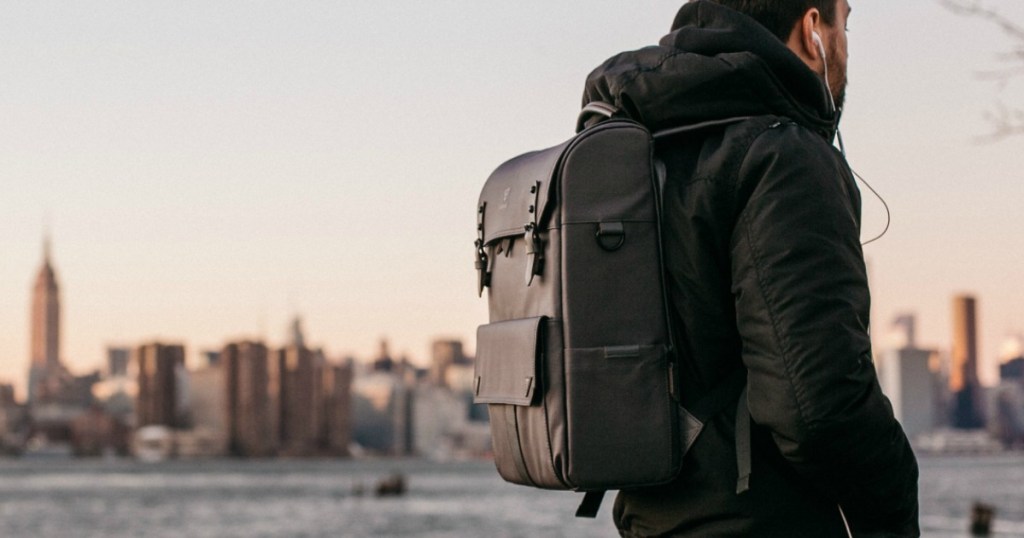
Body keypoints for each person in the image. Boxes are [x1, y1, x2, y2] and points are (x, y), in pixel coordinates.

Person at [582, 1, 920, 536]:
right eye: (845, 24)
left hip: (652, 519)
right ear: (813, 31)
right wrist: (895, 509)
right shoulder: (785, 156)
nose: (847, 45)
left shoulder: (642, 147)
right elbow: (818, 409)